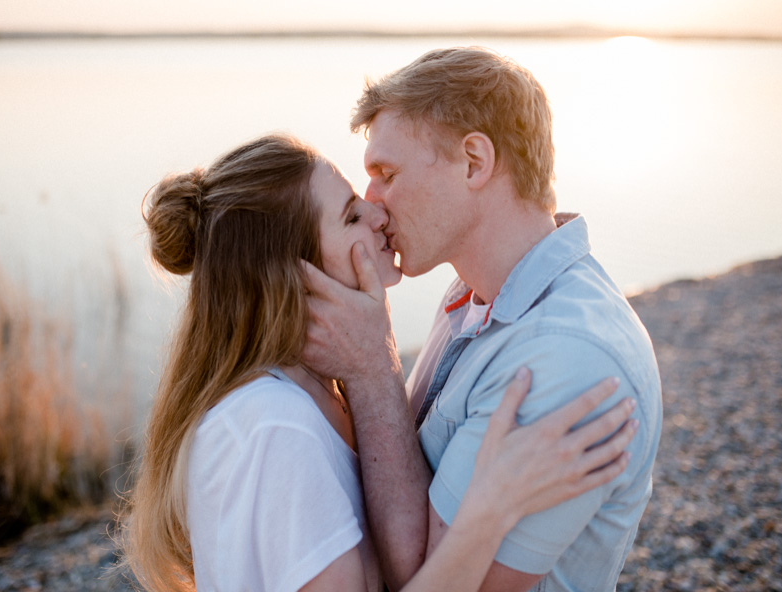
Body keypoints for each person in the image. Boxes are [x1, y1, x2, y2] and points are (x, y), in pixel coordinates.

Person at [118, 134, 640, 592]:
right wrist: (490, 510)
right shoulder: (274, 427)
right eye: (350, 216)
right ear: (292, 277)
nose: (377, 212)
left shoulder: (316, 393)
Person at [302, 47, 663, 591]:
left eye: (386, 174)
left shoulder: (566, 356)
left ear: (475, 161)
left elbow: (430, 579)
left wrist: (372, 365)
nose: (372, 205)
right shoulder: (476, 292)